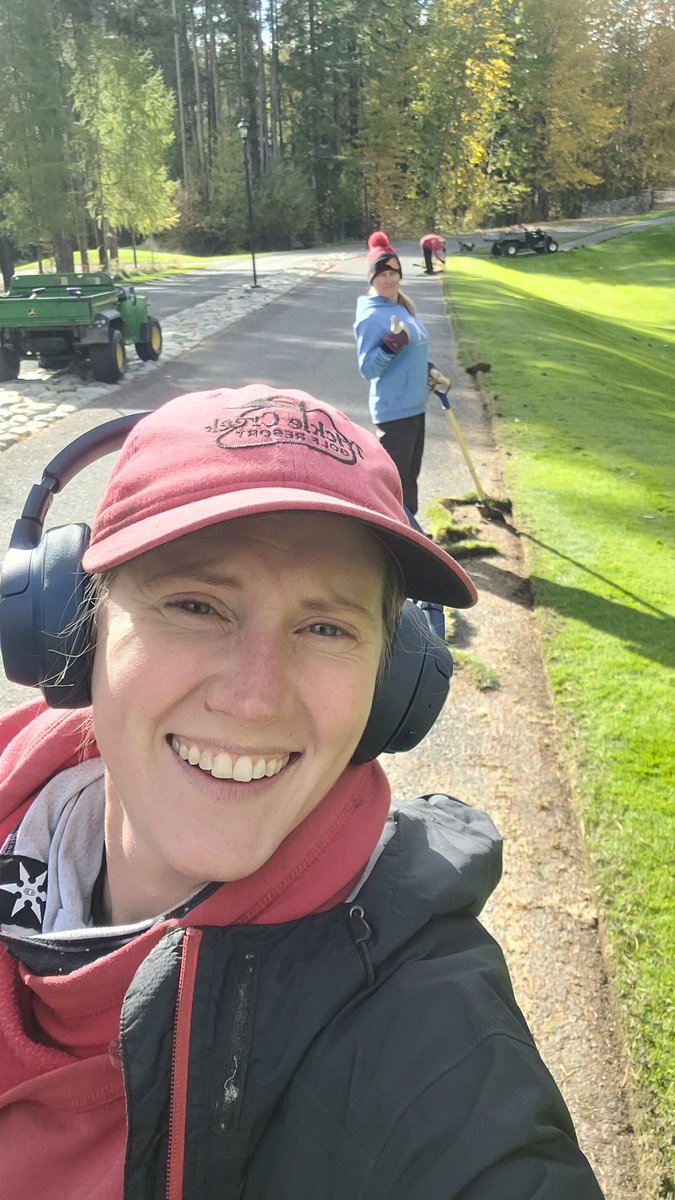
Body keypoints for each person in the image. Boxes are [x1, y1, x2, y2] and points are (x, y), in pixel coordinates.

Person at [0, 386, 604, 1199]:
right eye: (195, 604)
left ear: (391, 689)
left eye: (326, 627)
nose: (255, 698)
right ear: (78, 631)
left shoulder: (428, 1038)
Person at [353, 231, 432, 515]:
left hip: (414, 405)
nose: (389, 279)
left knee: (409, 481)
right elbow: (367, 369)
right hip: (394, 410)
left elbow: (416, 349)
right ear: (372, 277)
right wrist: (389, 346)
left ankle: (413, 534)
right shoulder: (371, 317)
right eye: (383, 273)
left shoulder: (401, 305)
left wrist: (429, 371)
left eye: (394, 272)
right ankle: (399, 538)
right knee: (395, 486)